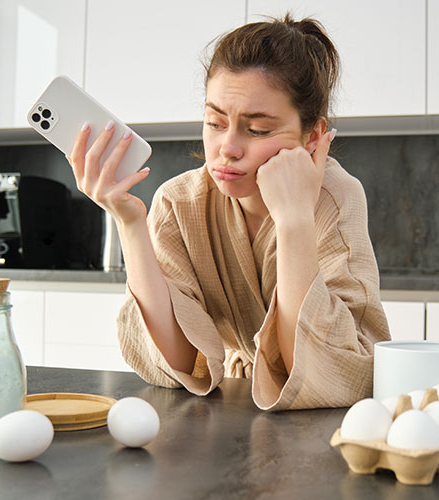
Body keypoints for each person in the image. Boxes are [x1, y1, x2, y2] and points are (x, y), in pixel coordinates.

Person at [67, 14, 391, 411]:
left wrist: (294, 222)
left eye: (257, 130)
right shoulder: (180, 202)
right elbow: (181, 362)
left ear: (312, 136)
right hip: (230, 409)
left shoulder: (335, 198)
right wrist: (129, 222)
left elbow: (324, 371)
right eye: (214, 122)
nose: (227, 148)